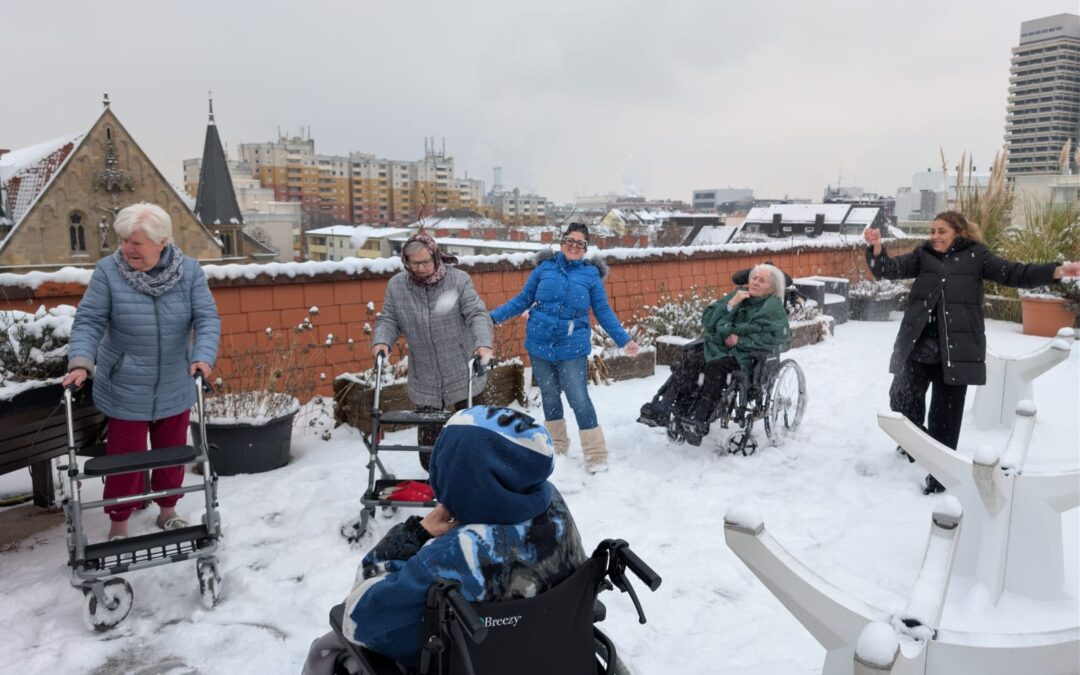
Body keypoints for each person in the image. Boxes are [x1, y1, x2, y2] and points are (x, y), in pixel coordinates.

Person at [303, 405, 585, 675]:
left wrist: (414, 535)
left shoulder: (454, 555)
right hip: (548, 649)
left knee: (324, 648)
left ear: (456, 476)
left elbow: (358, 619)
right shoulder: (554, 508)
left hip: (468, 661)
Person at [864, 211, 1080, 494]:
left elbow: (1014, 272)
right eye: (933, 230)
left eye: (942, 231)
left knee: (945, 418)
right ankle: (916, 446)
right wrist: (877, 249)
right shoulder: (923, 255)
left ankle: (940, 477)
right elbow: (888, 269)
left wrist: (1056, 271)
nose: (935, 236)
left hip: (957, 352)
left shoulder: (978, 256)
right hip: (918, 346)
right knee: (901, 399)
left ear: (959, 232)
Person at [62, 202, 220, 540]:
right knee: (124, 460)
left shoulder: (190, 271)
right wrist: (80, 363)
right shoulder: (108, 272)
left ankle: (168, 512)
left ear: (162, 241)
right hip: (125, 383)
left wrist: (203, 357)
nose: (128, 249)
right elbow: (89, 321)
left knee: (172, 453)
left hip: (175, 379)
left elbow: (206, 319)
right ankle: (119, 523)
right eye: (124, 241)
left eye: (137, 243)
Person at [490, 223, 639, 473]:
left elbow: (602, 311)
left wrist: (624, 339)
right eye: (570, 241)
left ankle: (595, 454)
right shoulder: (544, 268)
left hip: (572, 347)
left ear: (585, 248)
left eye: (580, 243)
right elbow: (523, 300)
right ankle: (556, 447)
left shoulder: (590, 276)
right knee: (549, 396)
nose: (574, 246)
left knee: (579, 398)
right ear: (562, 242)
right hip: (540, 344)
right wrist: (492, 317)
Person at [370, 232, 494, 469]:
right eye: (414, 263)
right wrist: (382, 341)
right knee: (429, 451)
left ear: (436, 257)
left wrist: (483, 344)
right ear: (405, 262)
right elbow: (389, 319)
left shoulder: (458, 280)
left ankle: (481, 483)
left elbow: (477, 314)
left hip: (462, 370)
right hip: (425, 375)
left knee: (478, 438)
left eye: (426, 261)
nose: (421, 268)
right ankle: (438, 486)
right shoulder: (397, 286)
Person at [661, 264, 790, 445]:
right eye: (754, 278)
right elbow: (709, 321)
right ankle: (670, 407)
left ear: (771, 288)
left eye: (762, 280)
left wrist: (741, 341)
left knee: (715, 367)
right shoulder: (739, 296)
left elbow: (780, 338)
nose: (755, 282)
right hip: (720, 347)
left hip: (746, 357)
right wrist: (731, 304)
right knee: (693, 359)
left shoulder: (773, 307)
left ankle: (701, 414)